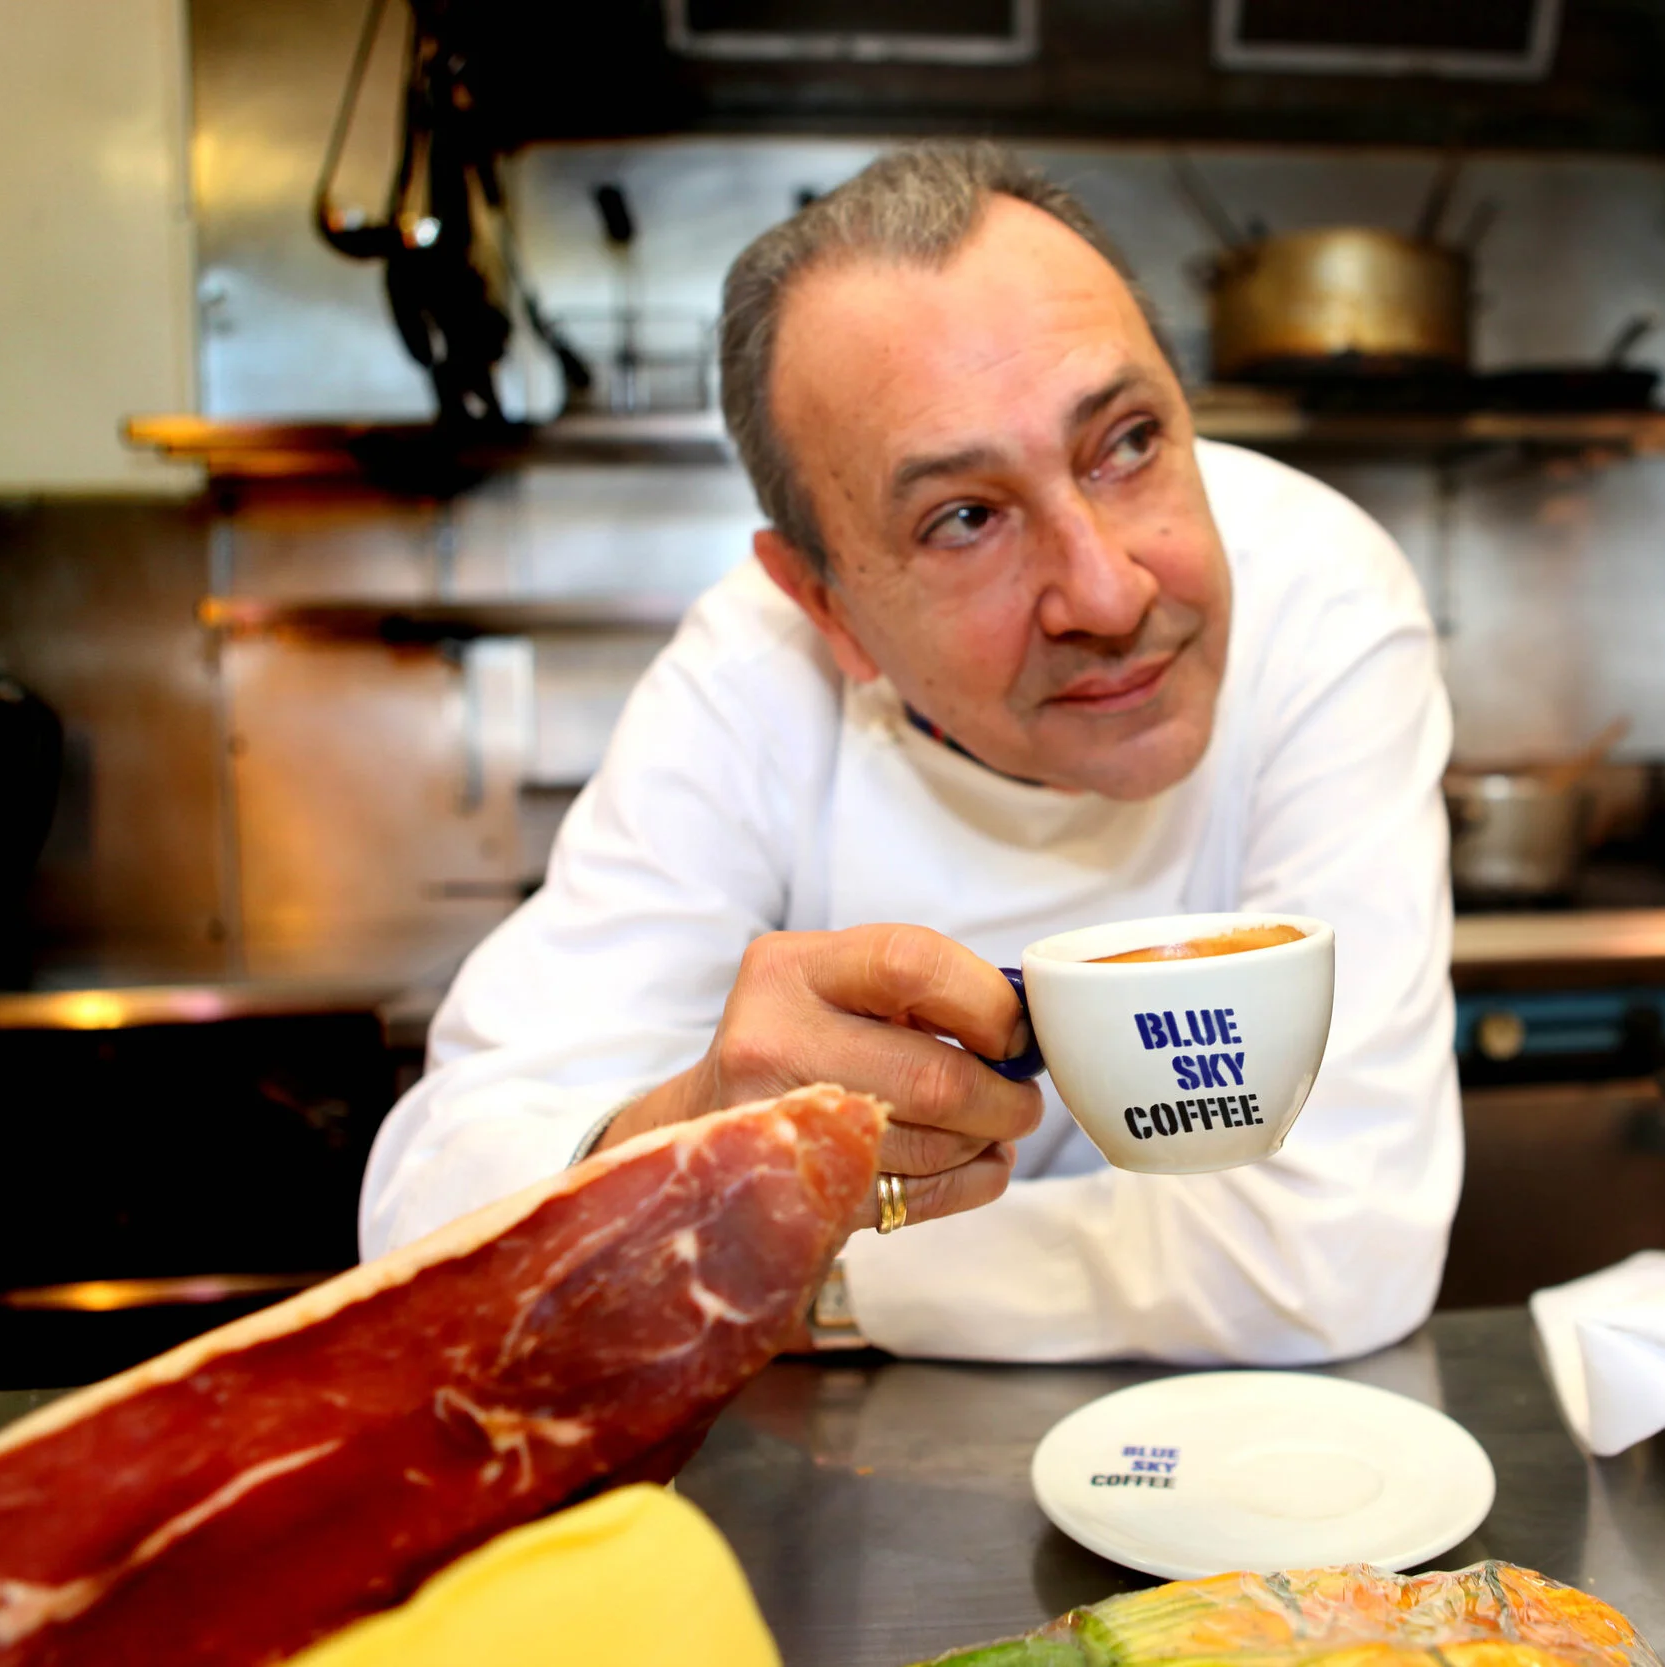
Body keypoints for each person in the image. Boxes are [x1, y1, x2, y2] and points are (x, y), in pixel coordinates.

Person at [358, 143, 1461, 1364]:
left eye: (1130, 440)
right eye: (965, 518)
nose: (1105, 589)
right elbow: (428, 1216)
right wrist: (679, 1136)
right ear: (827, 608)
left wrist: (773, 1259)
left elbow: (1336, 1253)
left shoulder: (1321, 597)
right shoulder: (753, 674)